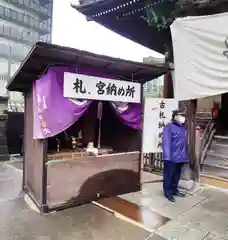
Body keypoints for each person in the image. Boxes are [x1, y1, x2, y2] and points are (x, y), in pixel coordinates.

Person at [162, 108, 188, 202]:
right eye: (181, 115)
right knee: (169, 175)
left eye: (184, 116)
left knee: (176, 175)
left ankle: (174, 190)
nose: (183, 117)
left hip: (180, 157)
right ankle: (167, 192)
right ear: (175, 116)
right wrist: (167, 157)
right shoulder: (169, 127)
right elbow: (166, 142)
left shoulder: (182, 128)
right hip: (171, 157)